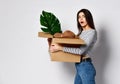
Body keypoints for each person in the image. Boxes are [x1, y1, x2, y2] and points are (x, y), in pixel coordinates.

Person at [48, 9, 97, 84]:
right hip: (79, 66)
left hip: (85, 66)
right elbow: (72, 49)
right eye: (79, 17)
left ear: (88, 18)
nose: (81, 19)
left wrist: (60, 48)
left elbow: (80, 51)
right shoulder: (80, 34)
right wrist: (52, 44)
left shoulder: (92, 32)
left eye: (83, 16)